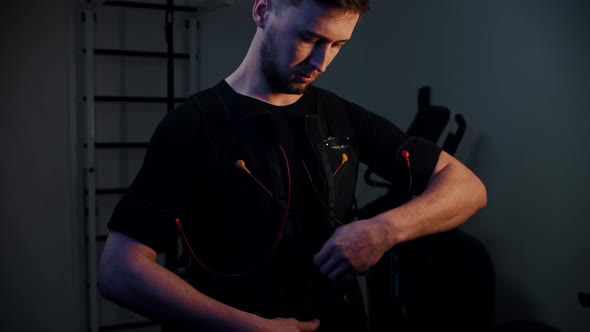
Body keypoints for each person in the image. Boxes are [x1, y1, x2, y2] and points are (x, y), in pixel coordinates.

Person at [98, 0, 487, 331]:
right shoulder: (194, 125)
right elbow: (119, 270)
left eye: (337, 44)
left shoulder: (341, 116)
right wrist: (249, 328)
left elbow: (467, 187)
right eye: (310, 38)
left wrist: (384, 231)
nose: (322, 61)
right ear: (263, 10)